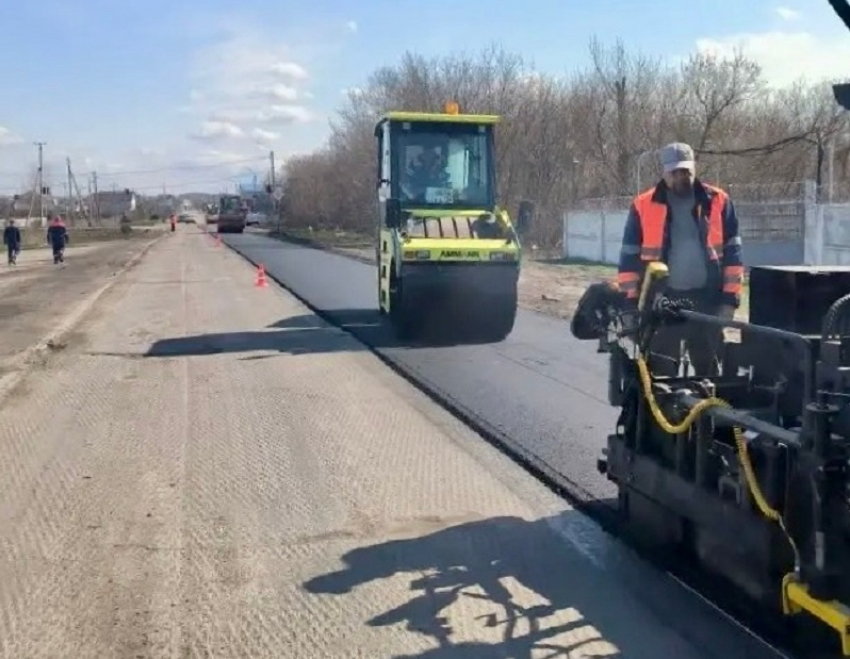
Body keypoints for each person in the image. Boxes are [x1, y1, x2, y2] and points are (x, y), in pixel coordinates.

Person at [616, 142, 744, 376]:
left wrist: (729, 300)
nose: (681, 177)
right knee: (661, 373)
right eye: (675, 172)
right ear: (664, 173)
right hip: (662, 303)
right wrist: (629, 305)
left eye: (686, 171)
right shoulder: (643, 205)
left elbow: (733, 256)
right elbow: (629, 260)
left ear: (694, 169)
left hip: (706, 301)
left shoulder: (718, 201)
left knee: (710, 373)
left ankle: (707, 412)